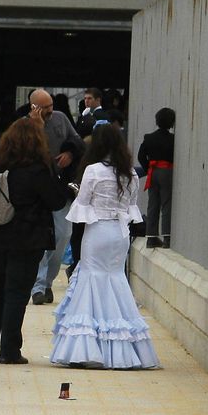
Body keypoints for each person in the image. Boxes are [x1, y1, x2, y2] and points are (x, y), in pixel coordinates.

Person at [52, 124, 159, 369]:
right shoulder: (130, 173)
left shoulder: (93, 170)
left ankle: (88, 347)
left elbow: (83, 203)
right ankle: (122, 346)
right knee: (115, 279)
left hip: (98, 231)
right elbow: (132, 207)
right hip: (120, 234)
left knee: (91, 279)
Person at [0, 118, 71, 365]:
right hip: (26, 239)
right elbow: (56, 201)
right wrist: (67, 187)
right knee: (16, 293)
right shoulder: (38, 169)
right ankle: (9, 351)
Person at [27, 89, 85, 306]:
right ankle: (38, 286)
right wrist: (38, 126)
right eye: (45, 110)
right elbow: (27, 152)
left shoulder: (61, 118)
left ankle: (48, 280)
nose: (50, 112)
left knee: (62, 235)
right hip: (36, 187)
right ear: (34, 108)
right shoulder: (26, 125)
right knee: (40, 240)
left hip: (60, 187)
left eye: (51, 107)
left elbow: (78, 142)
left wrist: (70, 152)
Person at [138, 107, 176, 248]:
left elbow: (141, 155)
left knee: (153, 204)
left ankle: (151, 237)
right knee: (166, 204)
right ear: (171, 123)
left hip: (152, 171)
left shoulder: (149, 137)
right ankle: (167, 238)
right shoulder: (173, 139)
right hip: (167, 171)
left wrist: (148, 167)